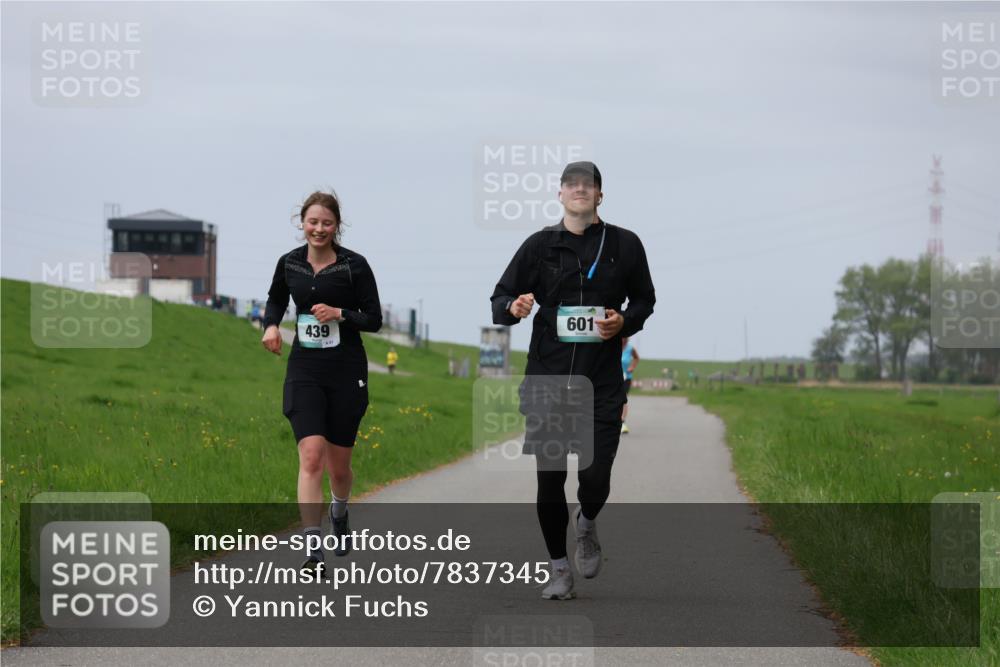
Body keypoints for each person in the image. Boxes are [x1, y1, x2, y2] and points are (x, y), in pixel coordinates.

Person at [490, 161, 655, 600]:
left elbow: (645, 299)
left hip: (601, 380)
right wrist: (515, 307)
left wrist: (624, 321)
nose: (580, 190)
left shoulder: (625, 244)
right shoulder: (539, 246)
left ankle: (586, 523)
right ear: (560, 194)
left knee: (596, 477)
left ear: (600, 195)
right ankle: (558, 569)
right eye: (572, 184)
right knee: (549, 479)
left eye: (589, 185)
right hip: (549, 375)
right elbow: (501, 295)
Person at [261, 190, 383, 572]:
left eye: (326, 223)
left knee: (339, 468)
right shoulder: (290, 264)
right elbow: (276, 300)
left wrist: (340, 312)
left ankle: (340, 510)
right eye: (312, 222)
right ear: (302, 223)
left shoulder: (354, 266)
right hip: (305, 370)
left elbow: (374, 318)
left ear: (336, 226)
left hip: (346, 370)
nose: (319, 229)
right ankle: (312, 550)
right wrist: (270, 326)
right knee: (311, 456)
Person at [620, 337, 639, 434]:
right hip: (613, 377)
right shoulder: (613, 347)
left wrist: (632, 367)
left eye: (626, 338)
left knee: (623, 399)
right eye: (622, 338)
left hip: (626, 377)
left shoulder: (630, 349)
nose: (624, 340)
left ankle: (622, 422)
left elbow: (636, 358)